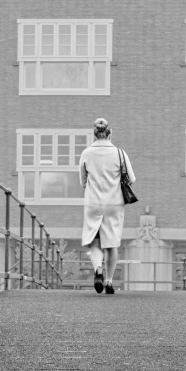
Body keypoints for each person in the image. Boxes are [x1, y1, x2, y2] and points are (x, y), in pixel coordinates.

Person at [79, 118, 136, 295]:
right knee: (111, 244)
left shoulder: (86, 153)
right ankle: (109, 282)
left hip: (93, 203)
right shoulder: (120, 153)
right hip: (114, 203)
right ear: (110, 134)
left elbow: (82, 182)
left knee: (94, 242)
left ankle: (98, 269)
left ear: (94, 134)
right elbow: (131, 179)